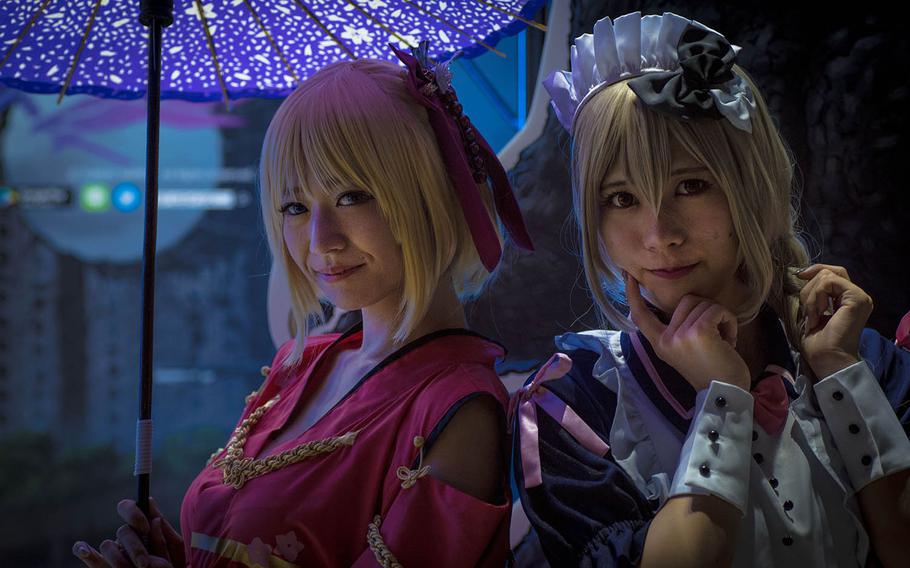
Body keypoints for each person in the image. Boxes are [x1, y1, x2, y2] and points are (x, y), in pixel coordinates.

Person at [73, 43, 534, 567]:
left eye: (352, 196)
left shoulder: (459, 410)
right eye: (294, 206)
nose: (321, 240)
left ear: (427, 191)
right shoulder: (302, 363)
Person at [511, 11, 910, 568]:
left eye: (691, 185)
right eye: (622, 198)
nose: (660, 236)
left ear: (753, 183)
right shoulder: (571, 402)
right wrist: (722, 397)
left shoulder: (860, 357)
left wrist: (843, 376)